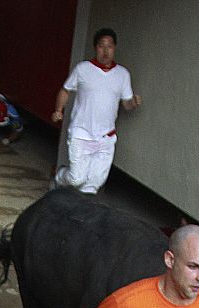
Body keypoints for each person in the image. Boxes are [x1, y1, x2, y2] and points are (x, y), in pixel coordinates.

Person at [51, 27, 141, 194]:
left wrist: (133, 103)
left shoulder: (122, 74)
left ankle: (81, 216)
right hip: (81, 133)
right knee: (77, 179)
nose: (105, 51)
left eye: (110, 46)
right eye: (101, 46)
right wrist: (59, 109)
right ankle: (59, 176)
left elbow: (126, 104)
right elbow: (65, 90)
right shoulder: (83, 69)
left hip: (106, 137)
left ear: (115, 48)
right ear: (95, 48)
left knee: (92, 185)